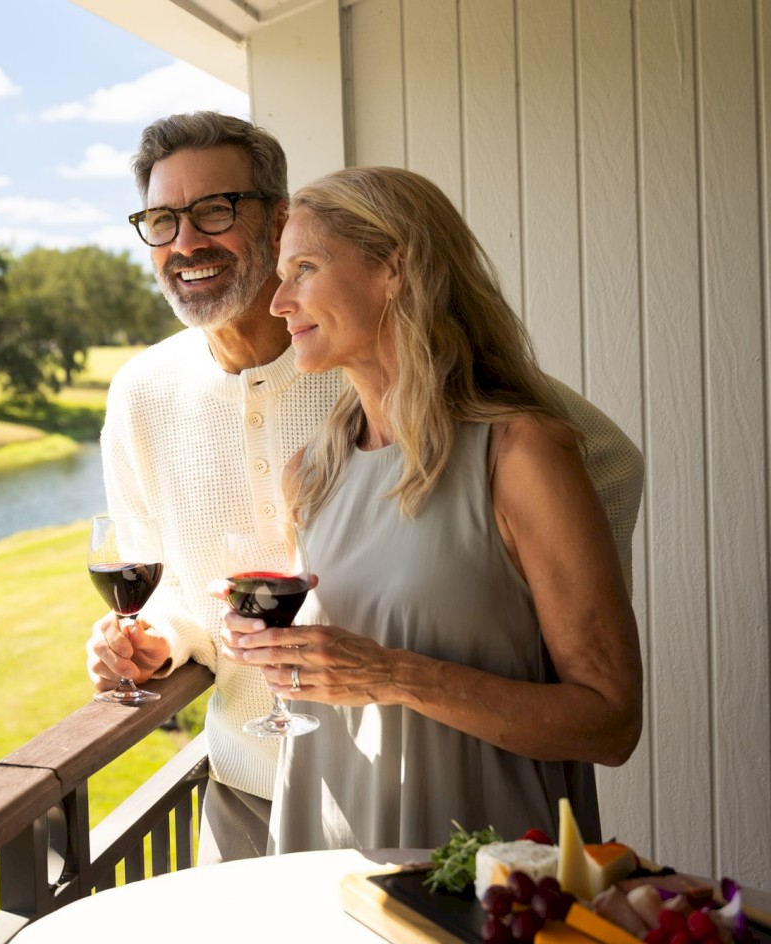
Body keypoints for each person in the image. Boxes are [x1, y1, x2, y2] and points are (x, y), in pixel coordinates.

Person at [87, 112, 644, 863]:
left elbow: (598, 465)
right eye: (161, 220)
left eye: (214, 210)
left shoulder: (485, 431)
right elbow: (185, 596)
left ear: (278, 218)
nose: (186, 242)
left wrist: (522, 605)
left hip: (468, 824)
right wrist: (163, 638)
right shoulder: (187, 414)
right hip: (280, 805)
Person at [229, 166, 642, 852]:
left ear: (393, 266)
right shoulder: (312, 472)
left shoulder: (520, 457)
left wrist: (393, 675)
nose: (278, 302)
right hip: (322, 858)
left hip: (480, 872)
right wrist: (267, 642)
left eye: (303, 268)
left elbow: (610, 723)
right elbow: (333, 666)